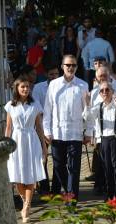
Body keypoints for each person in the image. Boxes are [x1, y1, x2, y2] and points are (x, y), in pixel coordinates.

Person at [43, 55, 92, 201]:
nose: (71, 68)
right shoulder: (54, 85)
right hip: (57, 133)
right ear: (62, 66)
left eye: (73, 65)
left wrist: (88, 132)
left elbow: (87, 113)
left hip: (75, 133)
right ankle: (68, 192)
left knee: (74, 169)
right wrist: (47, 131)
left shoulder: (83, 85)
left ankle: (71, 200)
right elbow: (47, 110)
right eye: (68, 65)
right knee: (58, 167)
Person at [4, 76, 48, 223]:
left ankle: (27, 205)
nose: (25, 89)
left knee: (30, 174)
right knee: (17, 175)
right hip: (16, 141)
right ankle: (24, 199)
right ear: (17, 88)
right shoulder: (11, 105)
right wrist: (6, 145)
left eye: (27, 87)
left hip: (31, 140)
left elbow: (39, 127)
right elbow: (8, 127)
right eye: (22, 86)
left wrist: (43, 147)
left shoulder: (35, 105)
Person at [83, 81, 116, 200]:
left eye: (107, 90)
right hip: (105, 140)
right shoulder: (98, 106)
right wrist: (88, 104)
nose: (104, 92)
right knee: (107, 169)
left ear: (112, 91)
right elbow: (87, 118)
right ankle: (110, 196)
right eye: (102, 90)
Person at [32, 64, 62, 194]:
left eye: (56, 74)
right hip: (42, 127)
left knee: (58, 159)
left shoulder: (62, 85)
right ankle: (44, 187)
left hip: (59, 127)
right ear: (46, 75)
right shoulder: (39, 88)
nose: (54, 77)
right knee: (42, 158)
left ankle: (56, 188)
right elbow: (37, 106)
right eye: (51, 74)